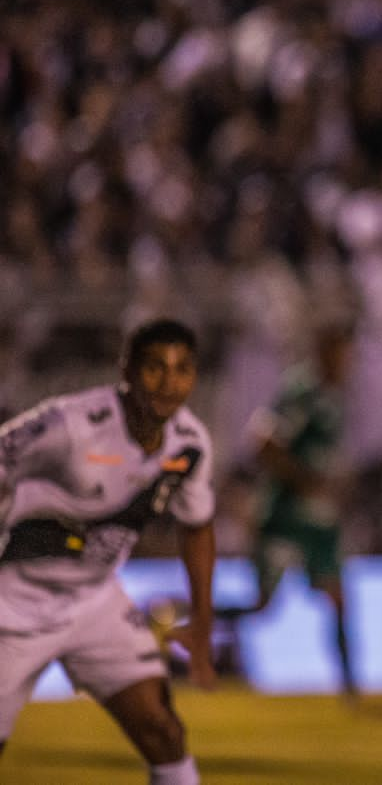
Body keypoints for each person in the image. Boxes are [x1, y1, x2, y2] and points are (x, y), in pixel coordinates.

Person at [0, 318, 216, 785]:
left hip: (94, 602)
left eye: (182, 370)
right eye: (155, 367)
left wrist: (202, 619)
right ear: (127, 371)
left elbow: (197, 527)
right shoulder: (73, 424)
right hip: (13, 604)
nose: (169, 382)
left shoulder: (190, 444)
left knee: (163, 730)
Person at [221, 323, 358, 699]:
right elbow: (262, 442)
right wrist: (302, 480)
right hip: (285, 516)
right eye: (339, 352)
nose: (346, 361)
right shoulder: (304, 392)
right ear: (322, 350)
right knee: (263, 606)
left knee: (339, 597)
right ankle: (188, 622)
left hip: (318, 520)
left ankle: (350, 689)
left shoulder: (335, 396)